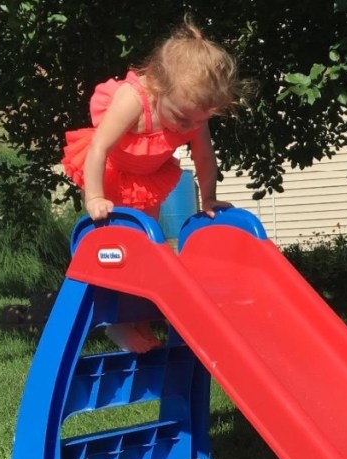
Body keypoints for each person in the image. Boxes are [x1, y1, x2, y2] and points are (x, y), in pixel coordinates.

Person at [61, 17, 243, 353]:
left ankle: (137, 320)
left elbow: (204, 158)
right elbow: (100, 147)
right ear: (159, 86)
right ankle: (115, 321)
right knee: (114, 243)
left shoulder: (193, 113)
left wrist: (210, 199)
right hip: (110, 172)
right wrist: (95, 196)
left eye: (198, 120)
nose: (189, 126)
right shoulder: (135, 99)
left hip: (147, 180)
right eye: (182, 117)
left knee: (146, 244)